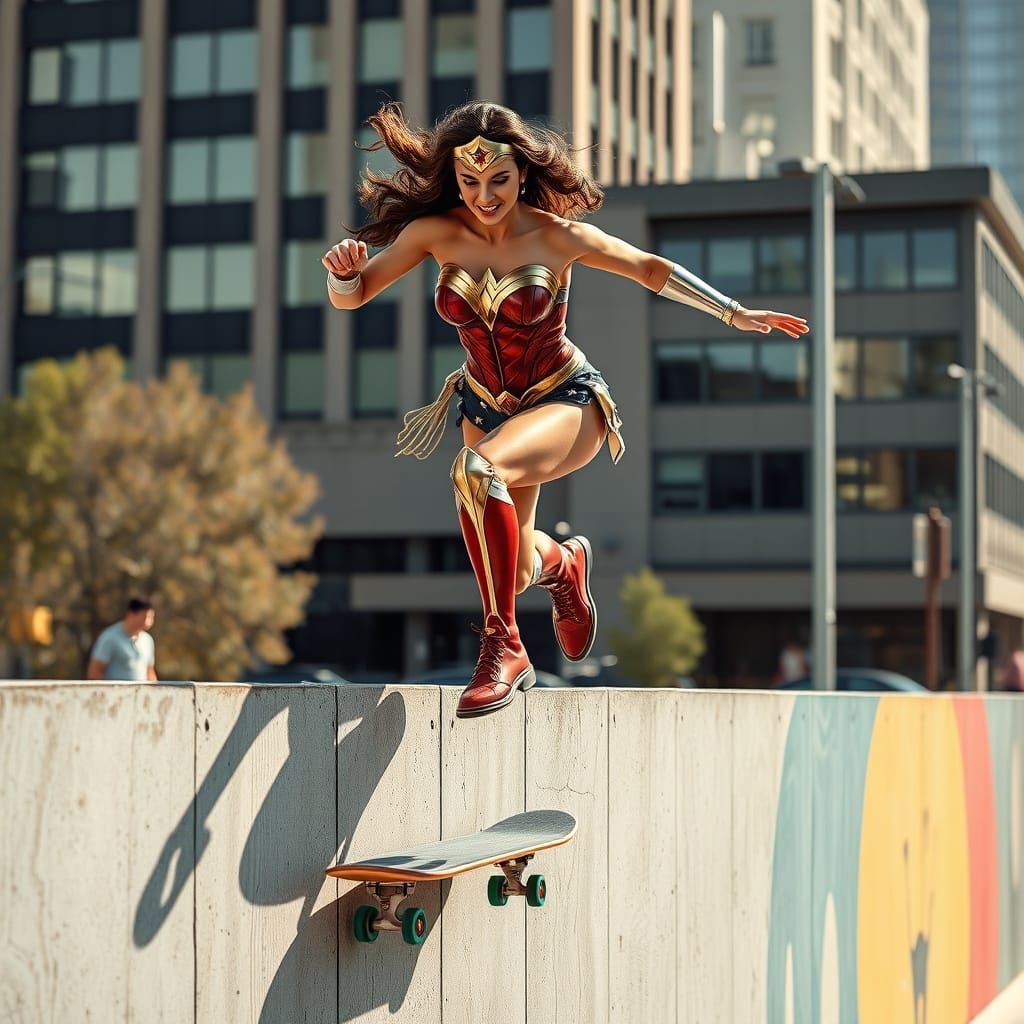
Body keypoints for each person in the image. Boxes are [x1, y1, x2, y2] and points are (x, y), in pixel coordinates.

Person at [322, 101, 809, 719]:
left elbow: (648, 267)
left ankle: (504, 647)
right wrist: (342, 275)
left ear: (522, 172)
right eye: (470, 182)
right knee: (517, 564)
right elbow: (356, 295)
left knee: (475, 470)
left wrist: (734, 312)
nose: (484, 196)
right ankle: (563, 562)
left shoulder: (556, 236)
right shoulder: (434, 233)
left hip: (564, 399)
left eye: (498, 180)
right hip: (485, 404)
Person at [87, 597, 158, 681]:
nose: (148, 622)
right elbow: (95, 672)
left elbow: (150, 672)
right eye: (145, 617)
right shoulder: (110, 637)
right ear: (131, 615)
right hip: (115, 693)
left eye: (151, 618)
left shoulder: (148, 640)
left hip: (140, 693)